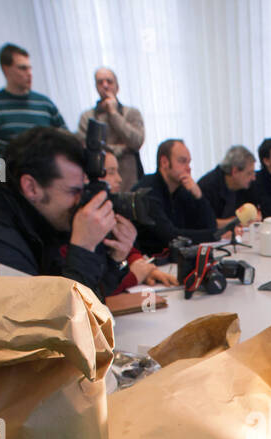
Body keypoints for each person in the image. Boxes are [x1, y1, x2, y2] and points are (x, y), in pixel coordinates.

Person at [0, 127, 133, 301]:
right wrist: (83, 249)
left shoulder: (33, 223)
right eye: (73, 191)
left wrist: (114, 260)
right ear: (31, 187)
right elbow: (52, 327)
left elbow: (88, 301)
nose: (80, 203)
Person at [0, 44, 66, 158]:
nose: (29, 73)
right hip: (11, 172)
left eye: (30, 68)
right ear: (6, 70)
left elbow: (66, 141)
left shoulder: (45, 104)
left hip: (48, 171)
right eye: (23, 68)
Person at [100, 147, 177, 293]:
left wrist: (142, 265)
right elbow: (94, 290)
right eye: (111, 172)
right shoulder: (86, 222)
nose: (119, 179)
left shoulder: (110, 210)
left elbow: (125, 248)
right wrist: (135, 276)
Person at [133, 139, 221, 257]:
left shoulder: (181, 190)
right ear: (164, 162)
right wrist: (216, 235)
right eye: (182, 161)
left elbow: (210, 225)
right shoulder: (147, 191)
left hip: (175, 260)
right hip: (151, 262)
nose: (188, 168)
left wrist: (199, 196)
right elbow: (170, 236)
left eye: (189, 163)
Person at [77, 67, 145, 191]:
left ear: (117, 86)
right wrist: (122, 148)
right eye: (100, 82)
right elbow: (87, 149)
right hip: (100, 182)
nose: (105, 85)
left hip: (129, 181)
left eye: (109, 81)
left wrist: (113, 113)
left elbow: (137, 141)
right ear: (96, 87)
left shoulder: (132, 113)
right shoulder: (87, 117)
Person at [197, 145, 261, 229]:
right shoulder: (208, 186)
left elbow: (257, 208)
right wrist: (237, 221)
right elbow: (207, 223)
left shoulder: (245, 185)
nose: (253, 178)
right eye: (249, 173)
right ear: (235, 172)